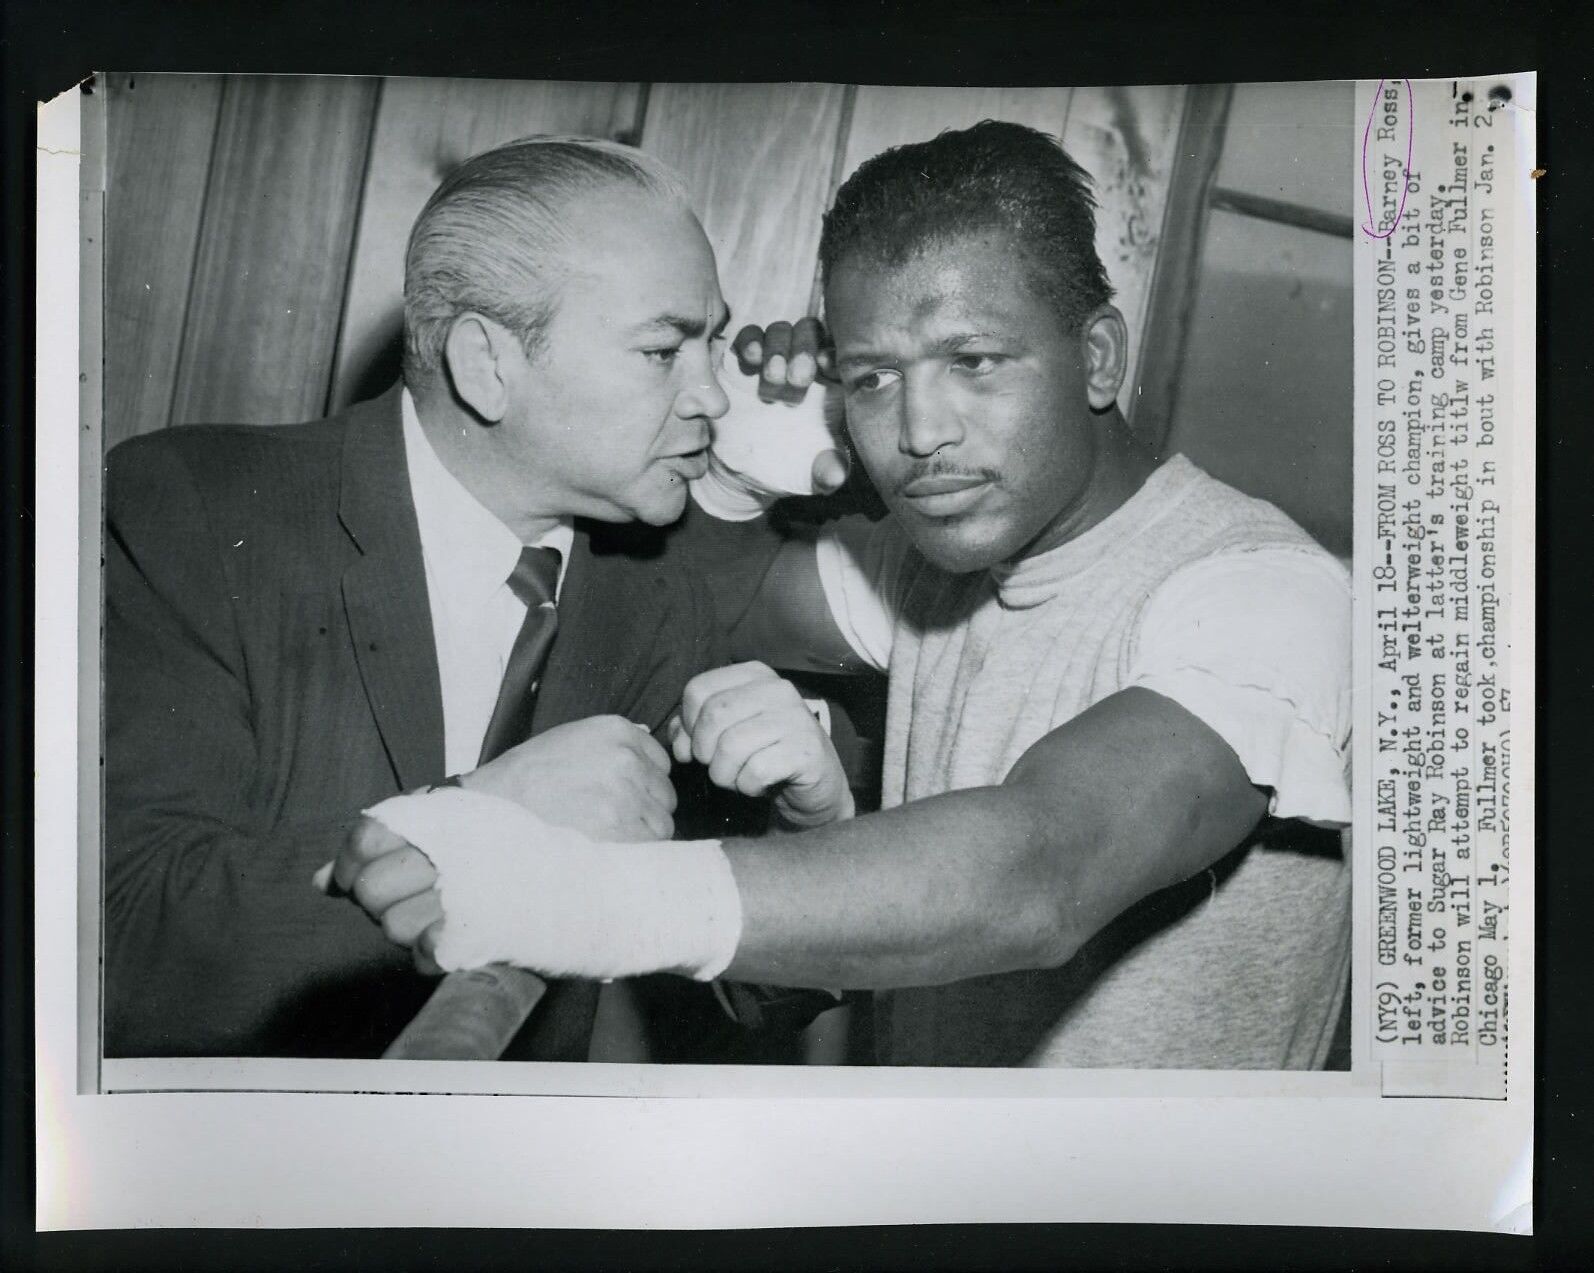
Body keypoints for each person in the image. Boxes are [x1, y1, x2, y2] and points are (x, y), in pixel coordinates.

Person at [336, 121, 1353, 1069]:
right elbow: (699, 592)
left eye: (974, 362)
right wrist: (738, 453)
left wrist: (573, 897)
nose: (920, 431)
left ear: (1095, 358)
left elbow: (1043, 872)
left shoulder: (1267, 595)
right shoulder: (931, 572)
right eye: (871, 379)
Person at [103, 136, 829, 1058]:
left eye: (712, 343)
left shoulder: (662, 587)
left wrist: (813, 828)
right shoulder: (194, 510)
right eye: (663, 350)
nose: (713, 397)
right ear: (486, 365)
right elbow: (116, 945)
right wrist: (482, 823)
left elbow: (761, 996)